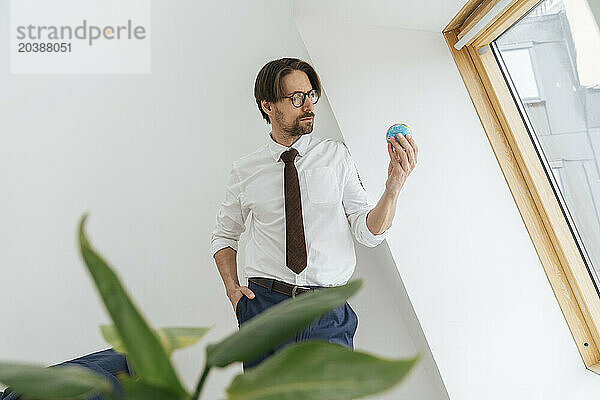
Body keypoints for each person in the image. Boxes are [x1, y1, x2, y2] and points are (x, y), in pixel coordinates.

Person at [210, 57, 418, 371]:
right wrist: (232, 290)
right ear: (268, 106)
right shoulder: (245, 170)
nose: (308, 105)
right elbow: (224, 236)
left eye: (310, 95)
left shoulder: (336, 156)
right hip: (265, 309)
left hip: (327, 313)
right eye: (296, 98)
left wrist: (394, 185)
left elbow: (368, 233)